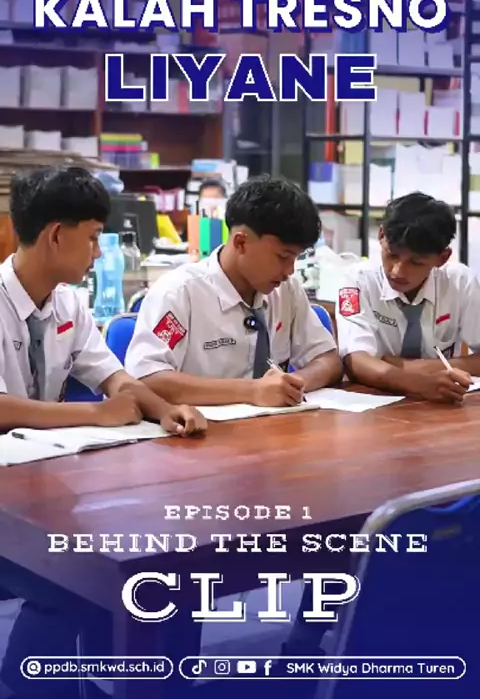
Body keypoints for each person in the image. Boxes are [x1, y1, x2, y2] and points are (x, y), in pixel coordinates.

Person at [0, 166, 206, 699]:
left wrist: (164, 410)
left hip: (41, 484)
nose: (97, 253)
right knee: (74, 581)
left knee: (139, 562)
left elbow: (113, 376)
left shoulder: (68, 302)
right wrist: (95, 416)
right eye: (92, 238)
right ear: (55, 235)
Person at [125, 175, 343, 404]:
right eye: (282, 257)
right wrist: (252, 391)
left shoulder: (286, 290)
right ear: (241, 243)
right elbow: (146, 379)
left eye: (295, 258)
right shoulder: (179, 293)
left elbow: (328, 360)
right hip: (201, 425)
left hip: (276, 423)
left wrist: (291, 385)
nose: (290, 271)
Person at [336, 191, 480, 401]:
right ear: (381, 236)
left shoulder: (460, 282)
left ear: (442, 258)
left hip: (444, 404)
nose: (397, 271)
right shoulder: (358, 281)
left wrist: (409, 367)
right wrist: (419, 382)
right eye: (392, 255)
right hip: (375, 402)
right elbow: (356, 361)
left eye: (416, 262)